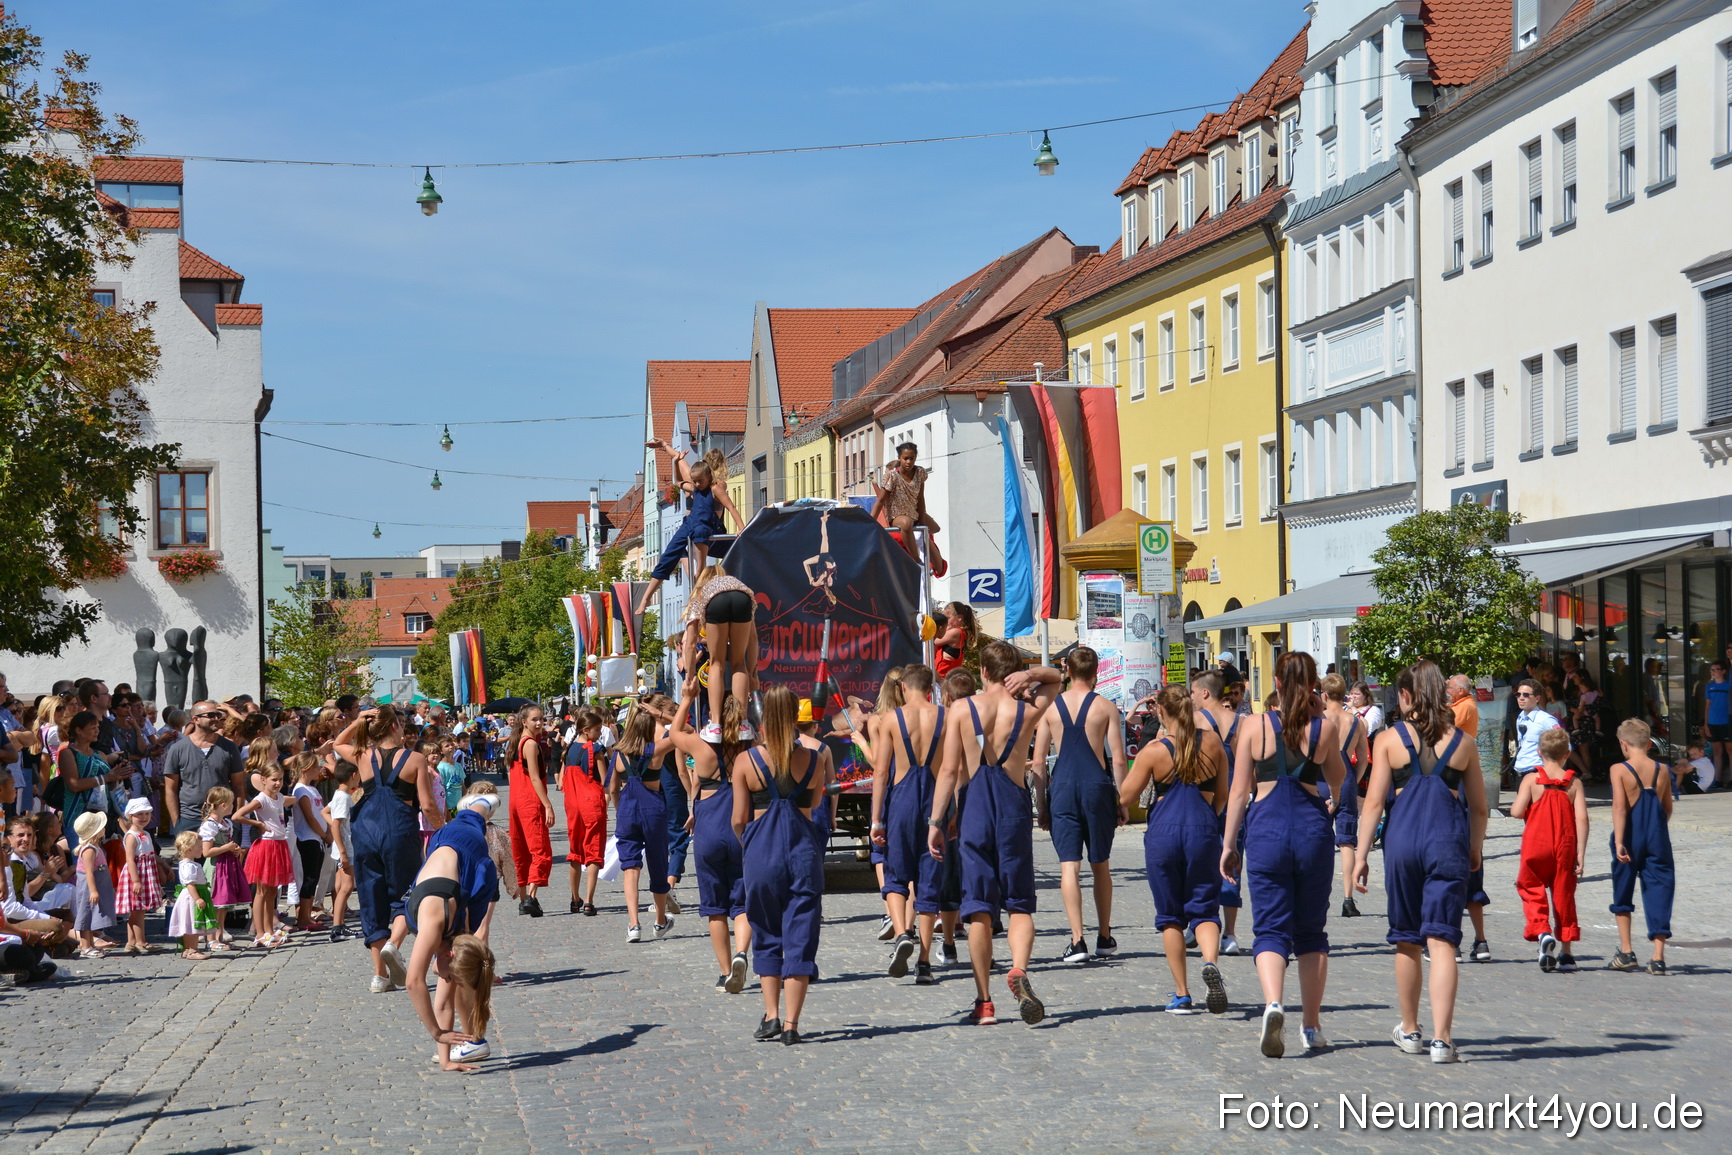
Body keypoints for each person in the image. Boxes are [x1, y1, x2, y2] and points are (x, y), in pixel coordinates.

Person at [1354, 660, 1488, 1065]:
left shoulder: (1389, 740)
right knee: (1443, 940)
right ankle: (1443, 1040)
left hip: (1403, 843)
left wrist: (1360, 856)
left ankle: (1410, 1030)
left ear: (1406, 696)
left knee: (1407, 939)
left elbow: (1374, 803)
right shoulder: (1463, 742)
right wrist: (1476, 848)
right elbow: (1479, 808)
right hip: (1447, 842)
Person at [1220, 650, 1349, 1058]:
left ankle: (1274, 1003)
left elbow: (1239, 792)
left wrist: (1227, 845)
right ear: (1313, 685)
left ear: (1275, 682)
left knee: (1271, 929)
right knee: (1311, 932)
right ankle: (1311, 1025)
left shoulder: (1252, 726)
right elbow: (1340, 781)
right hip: (1311, 831)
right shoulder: (1324, 729)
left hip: (1267, 831)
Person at [929, 641, 1063, 1027]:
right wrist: (1034, 674)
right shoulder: (1026, 709)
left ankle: (985, 1002)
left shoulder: (961, 708)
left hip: (974, 808)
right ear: (1013, 675)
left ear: (983, 672)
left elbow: (950, 772)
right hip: (1012, 804)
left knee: (979, 910)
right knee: (1019, 903)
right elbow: (1059, 679)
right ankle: (1018, 969)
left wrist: (937, 822)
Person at [1121, 684, 1230, 1015]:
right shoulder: (1213, 743)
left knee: (1170, 916)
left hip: (1165, 830)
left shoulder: (1155, 751)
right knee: (1205, 907)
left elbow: (1126, 795)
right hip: (1202, 825)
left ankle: (1182, 994)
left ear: (1162, 713)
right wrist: (1208, 817)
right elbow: (1223, 793)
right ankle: (1210, 962)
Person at [733, 685, 833, 1044]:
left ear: (760, 716)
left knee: (767, 932)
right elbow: (817, 800)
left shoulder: (746, 761)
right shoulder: (816, 757)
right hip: (803, 850)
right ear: (797, 716)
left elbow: (738, 819)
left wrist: (753, 846)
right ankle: (792, 1024)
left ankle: (771, 1014)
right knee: (801, 934)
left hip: (762, 853)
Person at [335, 706, 442, 994]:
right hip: (399, 831)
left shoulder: (362, 756)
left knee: (372, 897)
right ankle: (394, 944)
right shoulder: (416, 759)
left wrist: (358, 720)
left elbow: (337, 744)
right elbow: (429, 805)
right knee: (406, 892)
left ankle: (379, 977)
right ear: (395, 727)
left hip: (366, 833)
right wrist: (444, 828)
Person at [1031, 646, 1127, 963]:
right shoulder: (1106, 708)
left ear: (1067, 671)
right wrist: (1123, 799)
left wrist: (1041, 805)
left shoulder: (1051, 709)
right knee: (1100, 864)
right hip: (1096, 786)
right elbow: (1119, 760)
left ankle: (1077, 940)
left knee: (1069, 865)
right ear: (1096, 672)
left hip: (1062, 788)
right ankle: (1104, 935)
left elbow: (1038, 764)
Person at [401, 792, 501, 1072]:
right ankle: (483, 801)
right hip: (456, 839)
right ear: (449, 953)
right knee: (473, 818)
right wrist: (436, 1032)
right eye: (448, 973)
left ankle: (481, 806)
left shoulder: (456, 935)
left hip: (456, 872)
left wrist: (446, 1061)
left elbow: (443, 1003)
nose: (443, 977)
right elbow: (413, 982)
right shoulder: (434, 925)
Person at [668, 679, 752, 993]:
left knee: (715, 907)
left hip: (709, 827)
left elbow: (674, 734)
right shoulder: (750, 749)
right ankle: (743, 953)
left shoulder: (701, 749)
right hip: (741, 826)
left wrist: (687, 698)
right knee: (743, 902)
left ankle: (724, 970)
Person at [869, 664, 947, 984]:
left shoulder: (891, 718)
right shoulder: (944, 716)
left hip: (901, 800)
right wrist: (949, 816)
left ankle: (902, 932)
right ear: (930, 688)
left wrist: (876, 819)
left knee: (896, 875)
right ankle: (925, 962)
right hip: (934, 799)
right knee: (929, 881)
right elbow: (950, 771)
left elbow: (881, 772)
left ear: (903, 688)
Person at [1511, 728, 1588, 973]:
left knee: (1530, 887)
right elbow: (1582, 819)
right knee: (1564, 894)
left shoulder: (1532, 780)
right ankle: (1566, 953)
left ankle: (1542, 931)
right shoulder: (1573, 783)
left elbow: (1515, 811)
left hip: (1536, 844)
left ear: (1538, 753)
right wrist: (1581, 854)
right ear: (1567, 754)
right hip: (1565, 845)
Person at [637, 448, 745, 615]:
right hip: (689, 524)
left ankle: (699, 573)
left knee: (701, 533)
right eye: (694, 481)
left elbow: (731, 506)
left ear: (709, 477)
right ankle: (646, 597)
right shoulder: (695, 489)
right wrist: (675, 461)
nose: (696, 484)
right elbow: (678, 482)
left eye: (699, 481)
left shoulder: (716, 488)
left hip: (705, 525)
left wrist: (741, 528)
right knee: (669, 554)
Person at [1606, 719, 1674, 975]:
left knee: (1623, 890)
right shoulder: (1662, 769)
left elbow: (1620, 807)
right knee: (1660, 889)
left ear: (1623, 744)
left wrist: (1619, 840)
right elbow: (1667, 808)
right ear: (1648, 743)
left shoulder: (1619, 769)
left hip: (1630, 836)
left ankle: (1626, 951)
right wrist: (1655, 827)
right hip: (1657, 836)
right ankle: (1658, 957)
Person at [1191, 672, 1246, 955]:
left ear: (1204, 693)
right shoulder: (1241, 722)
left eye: (1192, 692)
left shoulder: (1198, 722)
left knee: (1200, 862)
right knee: (1232, 863)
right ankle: (1231, 933)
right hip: (1238, 799)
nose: (1190, 697)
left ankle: (1199, 922)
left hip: (1208, 798)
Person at [609, 705, 674, 942]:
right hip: (653, 809)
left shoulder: (618, 753)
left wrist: (620, 810)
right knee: (658, 865)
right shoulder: (655, 750)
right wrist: (661, 715)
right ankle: (659, 920)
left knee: (630, 867)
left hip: (627, 810)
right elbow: (683, 731)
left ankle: (634, 924)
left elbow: (613, 788)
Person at [684, 565, 760, 742]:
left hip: (716, 603)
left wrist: (690, 676)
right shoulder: (736, 584)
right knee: (739, 663)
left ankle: (716, 725)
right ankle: (743, 724)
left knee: (716, 664)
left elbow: (689, 643)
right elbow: (754, 638)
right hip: (743, 598)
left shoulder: (702, 594)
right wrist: (752, 670)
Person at [1320, 675, 1370, 918]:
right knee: (1347, 839)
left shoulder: (1319, 719)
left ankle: (1317, 893)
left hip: (1320, 775)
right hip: (1346, 774)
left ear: (1325, 695)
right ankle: (1348, 898)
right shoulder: (1356, 722)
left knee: (1318, 836)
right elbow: (1362, 759)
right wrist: (1353, 777)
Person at [162, 702, 246, 836]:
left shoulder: (229, 748)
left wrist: (236, 819)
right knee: (190, 857)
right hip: (189, 819)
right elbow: (170, 788)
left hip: (221, 819)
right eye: (211, 715)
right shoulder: (178, 749)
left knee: (222, 857)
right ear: (196, 719)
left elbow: (239, 786)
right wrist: (176, 822)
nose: (217, 719)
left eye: (218, 715)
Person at [235, 763, 294, 948]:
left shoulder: (278, 797)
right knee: (261, 892)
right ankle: (259, 933)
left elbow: (288, 802)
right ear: (263, 780)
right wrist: (258, 824)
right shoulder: (261, 799)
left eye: (280, 779)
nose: (277, 783)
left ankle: (269, 930)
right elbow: (237, 815)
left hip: (279, 843)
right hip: (266, 846)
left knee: (271, 892)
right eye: (273, 779)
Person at [503, 706, 553, 917]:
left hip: (515, 800)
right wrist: (548, 804)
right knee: (540, 850)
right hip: (529, 801)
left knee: (520, 851)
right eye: (535, 719)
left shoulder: (515, 743)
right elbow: (534, 777)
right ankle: (531, 897)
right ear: (524, 721)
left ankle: (524, 899)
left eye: (541, 719)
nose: (539, 723)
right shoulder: (530, 744)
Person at [560, 710, 607, 916]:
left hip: (572, 805)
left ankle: (574, 898)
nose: (600, 733)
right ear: (586, 730)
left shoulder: (568, 750)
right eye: (597, 729)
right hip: (591, 803)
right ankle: (589, 900)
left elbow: (562, 782)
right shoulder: (596, 749)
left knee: (575, 852)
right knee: (594, 850)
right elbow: (605, 781)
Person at [875, 441, 947, 576]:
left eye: (911, 458)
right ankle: (917, 561)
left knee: (931, 530)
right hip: (898, 516)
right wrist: (870, 521)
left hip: (914, 514)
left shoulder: (919, 473)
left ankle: (933, 562)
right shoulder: (892, 476)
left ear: (915, 458)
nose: (908, 462)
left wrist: (923, 524)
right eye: (905, 458)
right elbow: (880, 501)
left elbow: (920, 498)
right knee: (906, 523)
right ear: (899, 458)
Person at [287, 753, 332, 932]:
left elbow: (320, 812)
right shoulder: (300, 790)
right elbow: (310, 817)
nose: (319, 770)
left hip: (317, 839)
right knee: (309, 878)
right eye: (315, 767)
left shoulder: (313, 789)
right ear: (306, 770)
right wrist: (324, 834)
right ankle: (303, 917)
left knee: (314, 878)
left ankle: (306, 915)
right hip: (307, 838)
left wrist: (327, 832)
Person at [198, 787, 247, 947]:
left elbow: (227, 845)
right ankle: (210, 938)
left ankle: (219, 934)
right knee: (215, 903)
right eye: (232, 803)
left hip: (227, 866)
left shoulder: (225, 823)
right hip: (215, 867)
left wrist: (235, 850)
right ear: (224, 805)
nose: (234, 806)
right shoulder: (210, 825)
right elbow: (206, 852)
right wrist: (227, 848)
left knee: (224, 904)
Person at [115, 797, 163, 955]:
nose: (144, 818)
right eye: (139, 814)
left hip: (146, 874)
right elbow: (130, 859)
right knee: (138, 910)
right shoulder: (131, 836)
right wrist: (135, 880)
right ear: (130, 816)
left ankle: (131, 942)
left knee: (138, 910)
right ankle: (140, 941)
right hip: (136, 875)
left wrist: (164, 865)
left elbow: (150, 855)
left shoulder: (146, 834)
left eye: (147, 814)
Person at [323, 762, 361, 942]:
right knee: (346, 887)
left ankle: (339, 924)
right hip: (346, 848)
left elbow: (325, 812)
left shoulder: (339, 795)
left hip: (342, 847)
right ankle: (337, 927)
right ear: (353, 775)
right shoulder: (344, 798)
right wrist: (343, 851)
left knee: (339, 887)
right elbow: (337, 824)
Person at [70, 810, 116, 958]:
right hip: (88, 888)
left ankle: (90, 943)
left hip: (96, 885)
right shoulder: (89, 849)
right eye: (102, 827)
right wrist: (93, 890)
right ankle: (84, 946)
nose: (104, 829)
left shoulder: (95, 848)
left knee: (90, 916)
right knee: (85, 914)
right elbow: (89, 872)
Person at [167, 831, 215, 959]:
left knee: (188, 924)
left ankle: (188, 949)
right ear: (189, 849)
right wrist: (198, 898)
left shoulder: (186, 864)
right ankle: (192, 950)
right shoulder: (190, 866)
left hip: (188, 897)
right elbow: (190, 884)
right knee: (194, 924)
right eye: (199, 846)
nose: (201, 849)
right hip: (192, 897)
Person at [1510, 678, 1563, 778]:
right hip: (1520, 771)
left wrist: (1554, 771)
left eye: (1526, 695)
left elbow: (1564, 745)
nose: (1521, 698)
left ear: (1537, 698)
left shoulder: (1545, 719)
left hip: (1539, 773)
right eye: (1518, 694)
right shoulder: (1520, 718)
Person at [1702, 661, 1732, 789]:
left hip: (1726, 721)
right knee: (1716, 751)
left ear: (1723, 671)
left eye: (1716, 669)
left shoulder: (1729, 685)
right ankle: (1717, 779)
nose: (1713, 672)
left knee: (1730, 750)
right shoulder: (1709, 686)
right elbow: (1707, 705)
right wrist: (1706, 724)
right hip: (1713, 722)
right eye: (1712, 670)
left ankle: (1731, 779)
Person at [933, 603, 973, 682]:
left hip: (943, 679)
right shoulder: (956, 632)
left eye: (948, 618)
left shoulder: (956, 632)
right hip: (941, 678)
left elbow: (933, 640)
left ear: (959, 618)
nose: (945, 621)